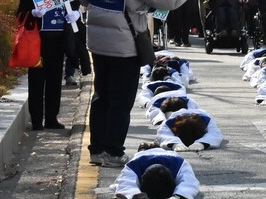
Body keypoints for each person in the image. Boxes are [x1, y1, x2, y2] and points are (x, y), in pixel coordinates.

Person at [79, 0, 188, 168]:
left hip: (97, 39)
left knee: (101, 95)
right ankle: (113, 152)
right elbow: (169, 3)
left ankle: (97, 150)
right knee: (121, 100)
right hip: (123, 41)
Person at [16, 0, 81, 131]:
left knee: (55, 80)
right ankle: (37, 120)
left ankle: (51, 118)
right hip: (37, 42)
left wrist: (77, 13)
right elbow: (20, 15)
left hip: (59, 40)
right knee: (36, 81)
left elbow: (76, 6)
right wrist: (33, 13)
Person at [111, 142, 200, 199]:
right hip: (144, 155)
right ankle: (149, 148)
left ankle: (146, 148)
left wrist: (175, 198)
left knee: (142, 152)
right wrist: (141, 198)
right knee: (141, 153)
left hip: (155, 154)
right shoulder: (134, 165)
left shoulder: (179, 163)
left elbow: (126, 186)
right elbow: (189, 183)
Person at [156, 107, 224, 151]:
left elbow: (215, 133)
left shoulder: (207, 120)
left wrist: (202, 143)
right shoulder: (169, 122)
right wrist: (174, 143)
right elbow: (162, 134)